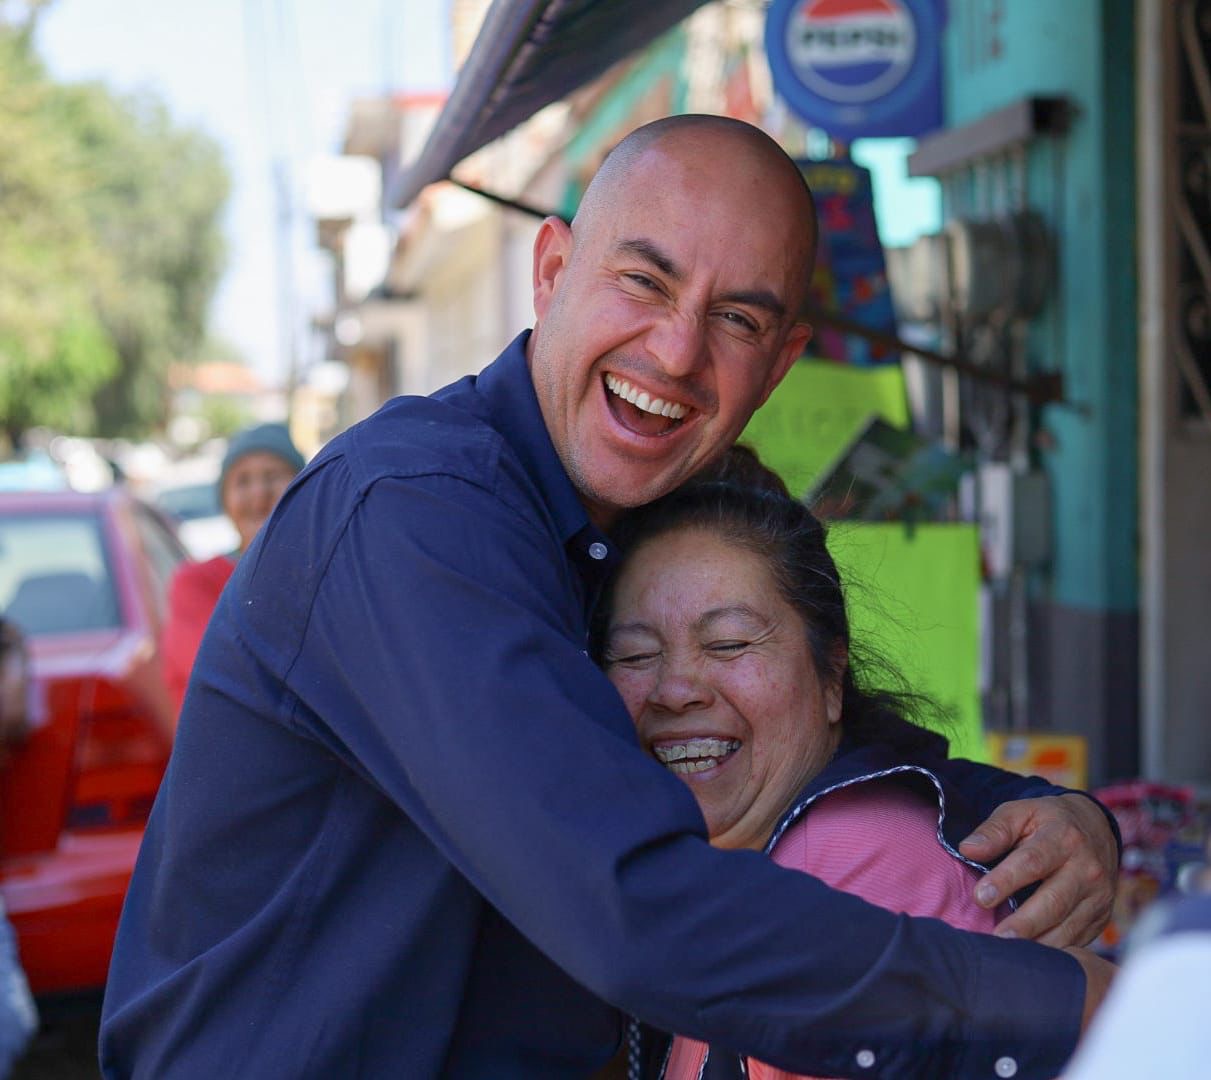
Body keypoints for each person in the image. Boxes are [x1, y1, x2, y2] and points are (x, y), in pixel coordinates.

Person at [101, 115, 1119, 1079]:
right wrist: (1055, 1005)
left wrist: (1034, 815)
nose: (674, 352)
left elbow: (800, 738)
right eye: (643, 281)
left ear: (777, 366)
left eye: (735, 318)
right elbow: (635, 907)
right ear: (550, 272)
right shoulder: (416, 513)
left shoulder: (618, 517)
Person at [592, 448, 1112, 1079]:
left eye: (728, 644)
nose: (676, 691)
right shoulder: (702, 864)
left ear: (831, 676)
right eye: (635, 655)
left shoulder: (854, 860)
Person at [160, 422, 305, 712]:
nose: (259, 493)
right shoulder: (196, 582)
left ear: (303, 490)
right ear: (225, 501)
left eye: (273, 476)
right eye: (242, 481)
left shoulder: (327, 574)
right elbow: (223, 675)